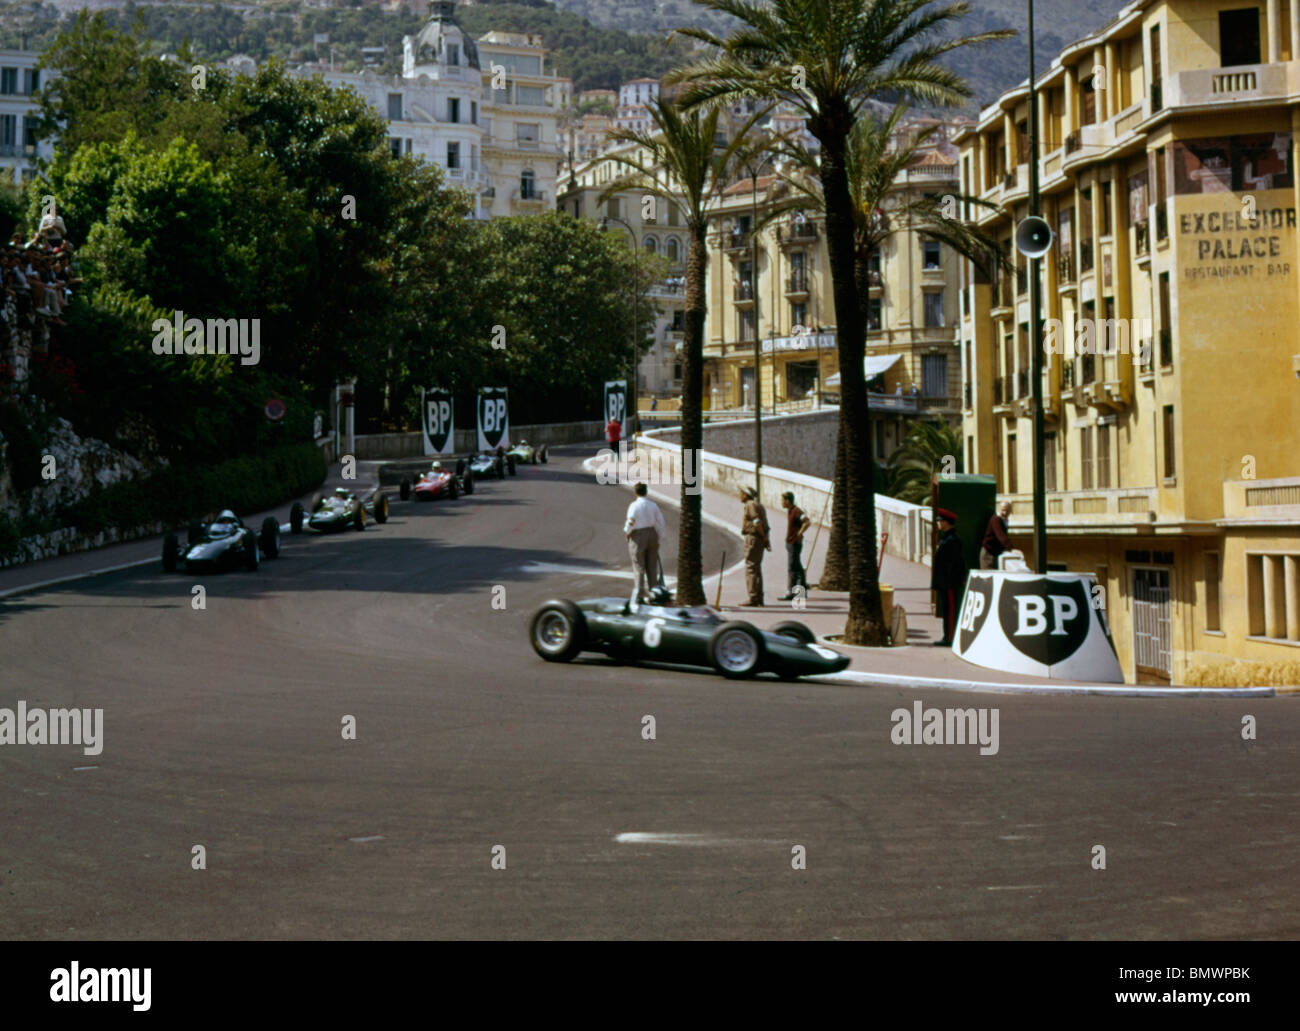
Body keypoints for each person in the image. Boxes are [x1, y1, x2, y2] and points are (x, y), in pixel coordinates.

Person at [931, 507, 968, 646]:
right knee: (947, 611)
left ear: (947, 522)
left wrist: (949, 581)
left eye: (941, 521)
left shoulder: (952, 540)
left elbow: (955, 564)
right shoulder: (946, 538)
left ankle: (950, 638)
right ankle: (947, 635)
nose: (939, 523)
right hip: (944, 583)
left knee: (950, 611)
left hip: (949, 583)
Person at [624, 482, 665, 604]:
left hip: (638, 535)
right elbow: (661, 521)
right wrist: (659, 536)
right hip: (652, 534)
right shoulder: (653, 505)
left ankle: (640, 595)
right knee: (652, 565)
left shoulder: (634, 506)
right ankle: (654, 593)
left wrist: (627, 532)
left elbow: (631, 521)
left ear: (636, 492)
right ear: (646, 492)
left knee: (639, 565)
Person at [739, 485, 771, 606]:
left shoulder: (750, 505)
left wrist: (762, 536)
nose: (740, 495)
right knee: (757, 568)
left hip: (753, 538)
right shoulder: (759, 505)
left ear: (746, 495)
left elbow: (757, 522)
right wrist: (765, 539)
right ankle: (759, 597)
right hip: (759, 539)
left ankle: (752, 597)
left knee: (751, 568)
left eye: (741, 493)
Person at [778, 491, 810, 601]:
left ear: (787, 501)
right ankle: (801, 591)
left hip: (794, 543)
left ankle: (791, 591)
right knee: (797, 568)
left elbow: (807, 522)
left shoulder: (796, 511)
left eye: (782, 500)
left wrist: (799, 534)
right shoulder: (790, 511)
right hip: (791, 543)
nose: (781, 502)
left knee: (792, 568)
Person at [980, 500, 1012, 570]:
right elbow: (1001, 536)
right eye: (1003, 510)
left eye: (1007, 511)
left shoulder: (1004, 520)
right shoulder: (996, 519)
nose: (1005, 513)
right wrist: (1010, 548)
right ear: (998, 509)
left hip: (995, 553)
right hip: (988, 554)